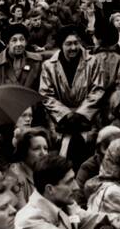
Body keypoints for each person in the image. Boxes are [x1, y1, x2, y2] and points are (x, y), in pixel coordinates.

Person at [39, 28, 105, 163]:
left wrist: (80, 113)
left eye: (76, 43)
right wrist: (65, 114)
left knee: (88, 159)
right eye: (68, 44)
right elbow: (46, 94)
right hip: (60, 122)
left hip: (87, 120)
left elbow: (98, 89)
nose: (73, 47)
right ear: (61, 45)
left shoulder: (93, 62)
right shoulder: (49, 65)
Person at [0, 23, 42, 91]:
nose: (19, 44)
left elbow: (40, 90)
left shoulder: (36, 61)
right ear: (7, 44)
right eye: (14, 40)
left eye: (22, 39)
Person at [4, 127, 51, 205]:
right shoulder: (15, 177)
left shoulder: (43, 172)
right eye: (36, 149)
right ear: (24, 152)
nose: (43, 154)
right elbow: (22, 213)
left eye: (45, 148)